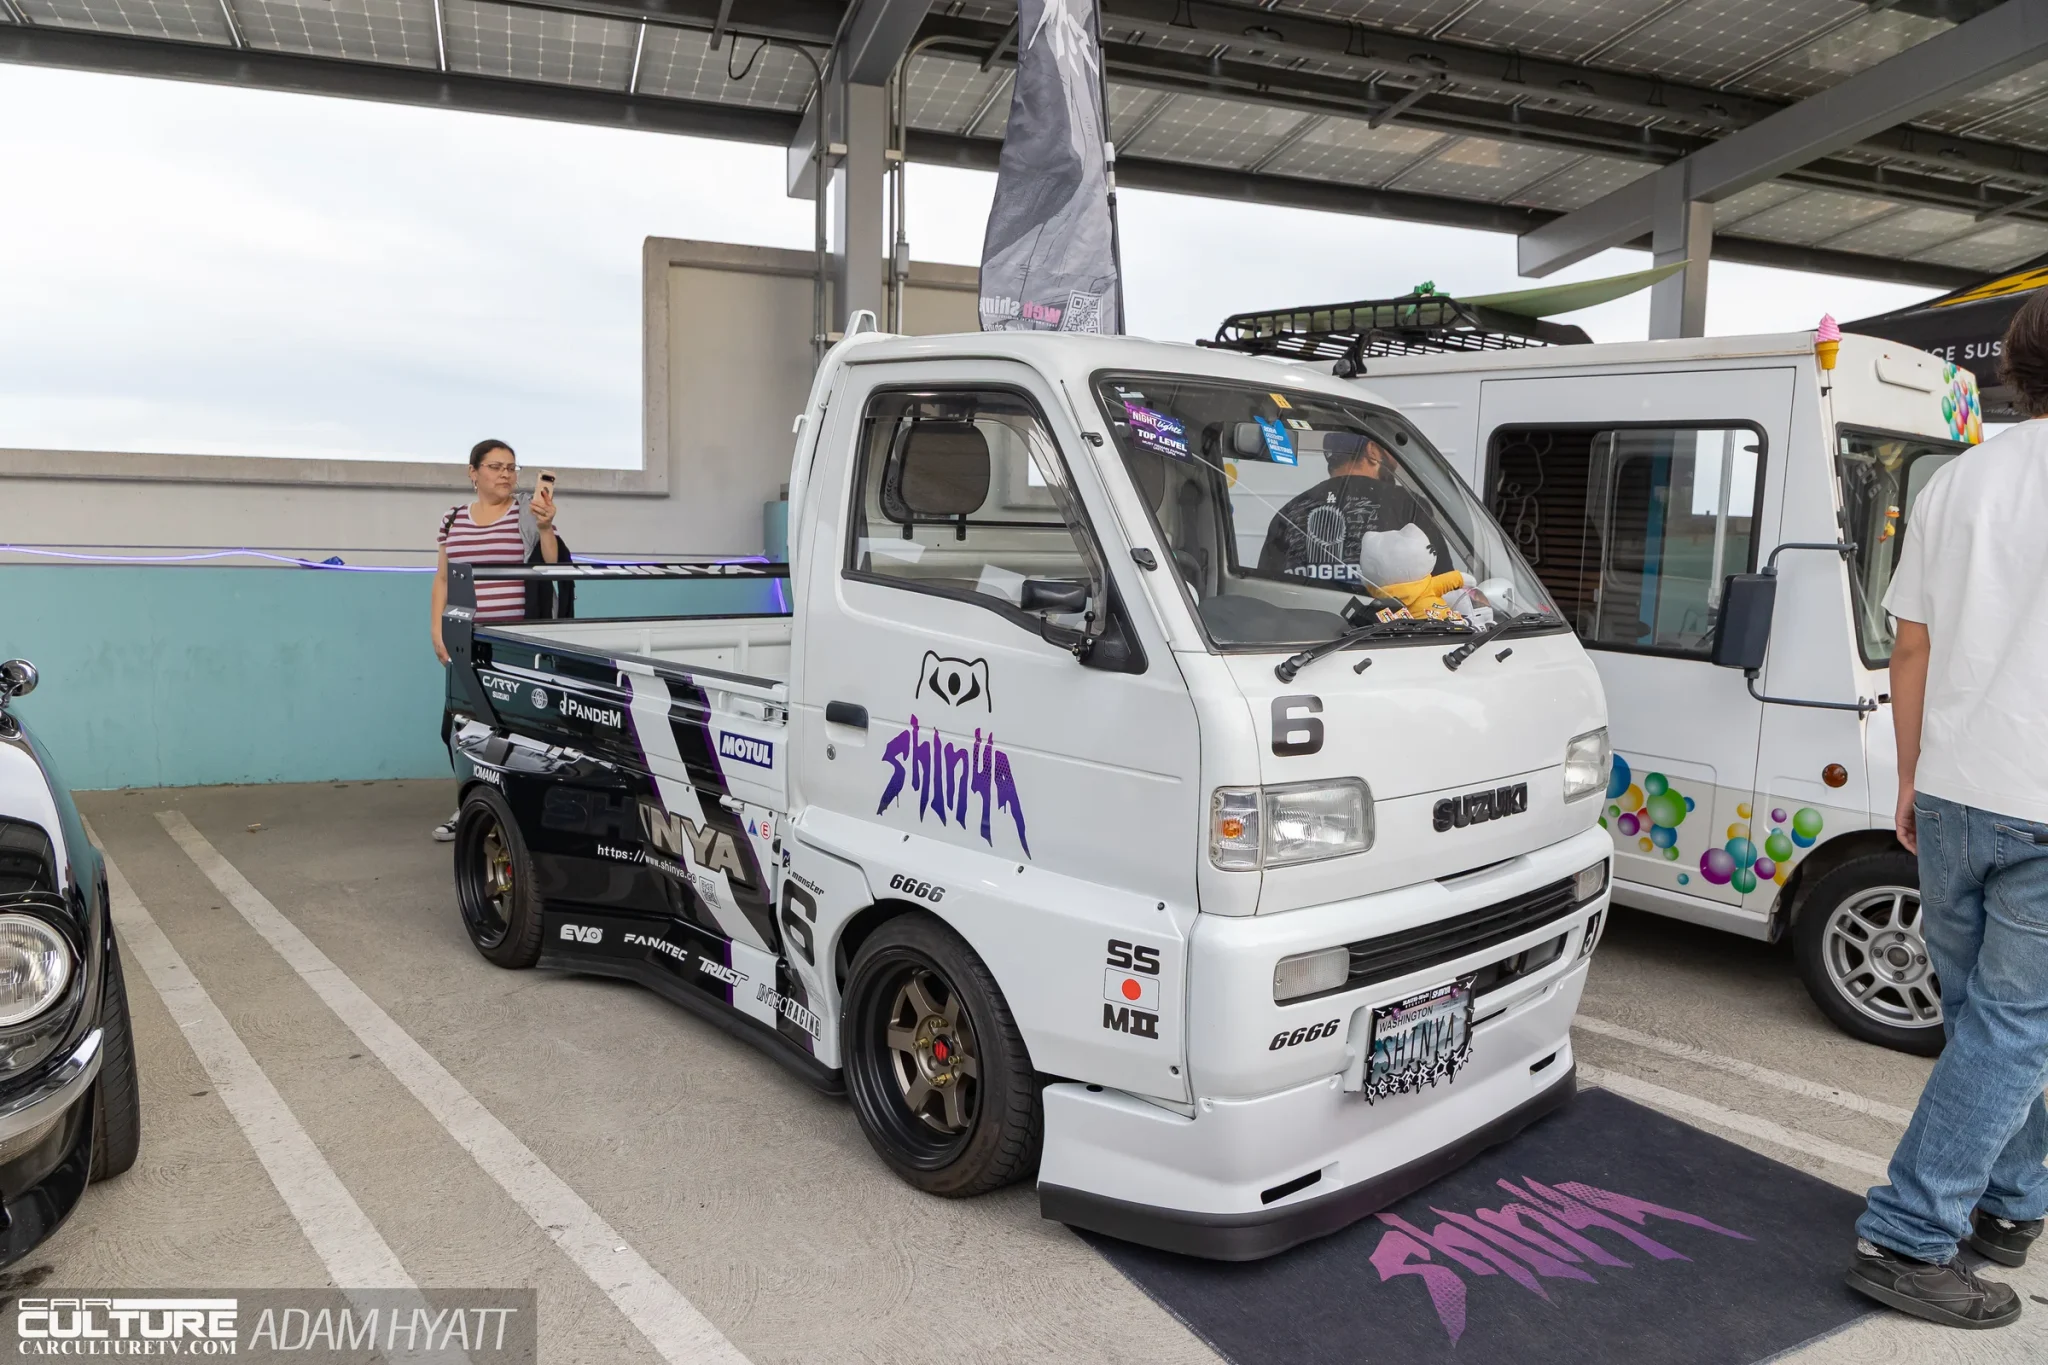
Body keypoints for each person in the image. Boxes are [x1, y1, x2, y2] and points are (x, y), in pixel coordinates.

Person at [1846, 295, 2048, 1329]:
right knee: (2013, 1028)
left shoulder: (1959, 478)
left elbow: (1910, 645)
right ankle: (1907, 1235)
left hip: (1958, 787)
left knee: (1987, 1021)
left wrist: (1909, 774)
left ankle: (2011, 1202)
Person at [429, 440, 561, 842]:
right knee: (460, 728)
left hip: (515, 644)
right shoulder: (453, 518)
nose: (506, 474)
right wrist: (437, 629)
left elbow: (553, 566)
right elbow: (442, 578)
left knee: (518, 732)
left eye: (511, 467)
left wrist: (545, 528)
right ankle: (470, 807)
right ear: (473, 472)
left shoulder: (526, 513)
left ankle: (517, 815)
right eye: (496, 466)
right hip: (466, 641)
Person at [1256, 431, 1449, 586]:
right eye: (1389, 451)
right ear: (1372, 451)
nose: (1395, 463)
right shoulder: (1407, 505)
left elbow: (1266, 589)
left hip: (1306, 623)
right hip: (1378, 624)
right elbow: (1444, 584)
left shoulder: (1291, 511)